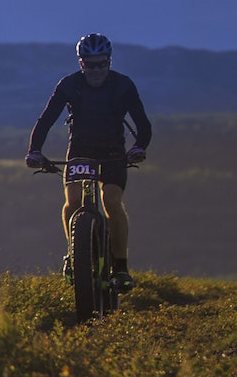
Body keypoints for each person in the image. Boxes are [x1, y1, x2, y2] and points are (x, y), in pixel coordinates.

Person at [25, 33, 152, 293]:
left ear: (109, 62)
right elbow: (46, 119)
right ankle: (74, 255)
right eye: (89, 64)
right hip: (80, 151)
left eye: (101, 64)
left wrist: (139, 147)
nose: (95, 70)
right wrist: (34, 151)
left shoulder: (123, 86)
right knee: (72, 202)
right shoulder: (69, 85)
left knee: (112, 202)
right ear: (81, 63)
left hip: (114, 152)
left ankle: (121, 267)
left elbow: (143, 124)